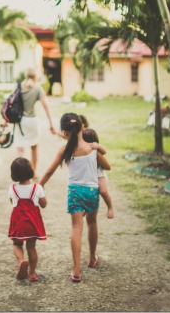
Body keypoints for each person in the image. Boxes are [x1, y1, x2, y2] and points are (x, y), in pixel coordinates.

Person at [38, 113, 111, 283]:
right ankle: (92, 258)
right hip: (92, 191)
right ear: (81, 127)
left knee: (76, 228)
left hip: (75, 192)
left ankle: (77, 270)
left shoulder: (65, 150)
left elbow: (49, 171)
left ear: (65, 133)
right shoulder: (92, 148)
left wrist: (39, 185)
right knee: (92, 223)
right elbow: (107, 166)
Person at [8, 157, 47, 282]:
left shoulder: (12, 188)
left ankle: (21, 261)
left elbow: (12, 202)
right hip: (32, 222)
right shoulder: (37, 188)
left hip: (19, 221)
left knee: (16, 244)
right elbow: (44, 204)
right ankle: (32, 273)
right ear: (31, 171)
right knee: (31, 247)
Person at [15, 68, 56, 180]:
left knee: (20, 149)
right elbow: (46, 106)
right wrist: (51, 123)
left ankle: (20, 173)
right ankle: (32, 172)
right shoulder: (38, 88)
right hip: (32, 121)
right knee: (34, 147)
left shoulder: (18, 86)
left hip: (20, 121)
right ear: (35, 76)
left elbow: (11, 103)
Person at [79, 115, 115, 219]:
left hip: (99, 174)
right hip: (87, 176)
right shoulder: (81, 150)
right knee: (85, 192)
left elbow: (104, 152)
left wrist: (98, 146)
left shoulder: (96, 149)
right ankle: (85, 208)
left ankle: (110, 207)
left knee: (103, 191)